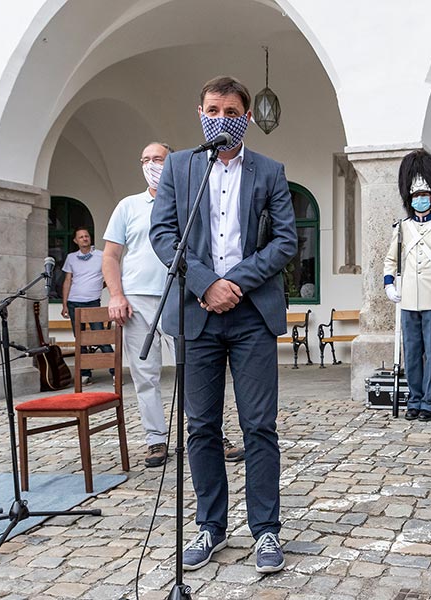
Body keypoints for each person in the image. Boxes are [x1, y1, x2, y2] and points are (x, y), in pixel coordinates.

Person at [150, 76, 297, 574]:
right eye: (213, 108)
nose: (221, 117)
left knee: (259, 426)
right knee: (201, 426)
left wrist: (232, 282)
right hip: (197, 316)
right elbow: (165, 234)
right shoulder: (179, 166)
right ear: (200, 112)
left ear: (247, 116)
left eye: (231, 109)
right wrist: (206, 284)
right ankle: (210, 526)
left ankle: (266, 531)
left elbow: (285, 241)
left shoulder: (271, 171)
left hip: (253, 315)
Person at [102, 142, 244, 469]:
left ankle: (210, 433)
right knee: (145, 374)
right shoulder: (128, 206)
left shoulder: (189, 199)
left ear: (173, 163)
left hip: (182, 295)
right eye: (145, 159)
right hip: (138, 300)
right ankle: (155, 439)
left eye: (158, 159)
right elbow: (110, 255)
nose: (151, 164)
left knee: (196, 371)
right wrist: (116, 295)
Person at [383, 150, 431, 422]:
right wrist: (389, 284)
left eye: (424, 196)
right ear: (409, 199)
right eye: (415, 196)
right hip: (409, 300)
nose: (420, 200)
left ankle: (429, 401)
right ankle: (414, 399)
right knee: (411, 353)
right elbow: (391, 259)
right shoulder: (402, 228)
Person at [60, 226, 114, 385]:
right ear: (76, 241)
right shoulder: (71, 258)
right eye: (81, 237)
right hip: (74, 302)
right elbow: (67, 281)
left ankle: (114, 372)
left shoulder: (101, 256)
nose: (85, 238)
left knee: (101, 336)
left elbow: (110, 275)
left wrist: (99, 287)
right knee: (80, 339)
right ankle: (85, 374)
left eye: (87, 236)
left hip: (92, 302)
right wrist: (64, 305)